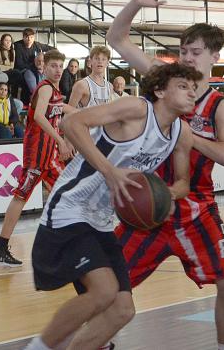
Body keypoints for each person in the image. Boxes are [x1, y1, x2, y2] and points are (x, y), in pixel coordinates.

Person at [106, 0, 224, 350]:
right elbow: (116, 39)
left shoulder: (220, 106)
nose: (186, 58)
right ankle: (99, 340)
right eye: (183, 51)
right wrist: (135, 2)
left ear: (215, 57)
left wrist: (192, 137)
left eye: (195, 52)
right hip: (149, 207)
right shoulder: (162, 79)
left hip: (197, 209)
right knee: (104, 284)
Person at [23, 62, 197, 350]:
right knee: (103, 292)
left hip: (102, 220)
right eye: (182, 86)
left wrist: (166, 196)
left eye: (193, 88)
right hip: (71, 206)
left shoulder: (182, 133)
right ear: (159, 91)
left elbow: (183, 183)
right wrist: (109, 170)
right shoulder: (136, 109)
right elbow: (71, 123)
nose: (191, 93)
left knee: (122, 310)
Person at [0, 49, 72, 267]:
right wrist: (61, 140)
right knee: (20, 197)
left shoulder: (55, 91)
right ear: (44, 68)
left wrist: (96, 114)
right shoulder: (44, 88)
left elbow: (64, 108)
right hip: (36, 155)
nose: (58, 70)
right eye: (53, 66)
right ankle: (0, 249)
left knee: (68, 194)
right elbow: (38, 116)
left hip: (50, 157)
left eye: (60, 66)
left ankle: (63, 244)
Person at [12, 28, 54, 103]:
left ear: (34, 38)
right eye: (27, 37)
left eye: (31, 37)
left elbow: (50, 48)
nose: (29, 39)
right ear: (23, 37)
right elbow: (19, 64)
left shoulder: (37, 45)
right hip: (22, 70)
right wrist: (35, 64)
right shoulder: (17, 46)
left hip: (35, 69)